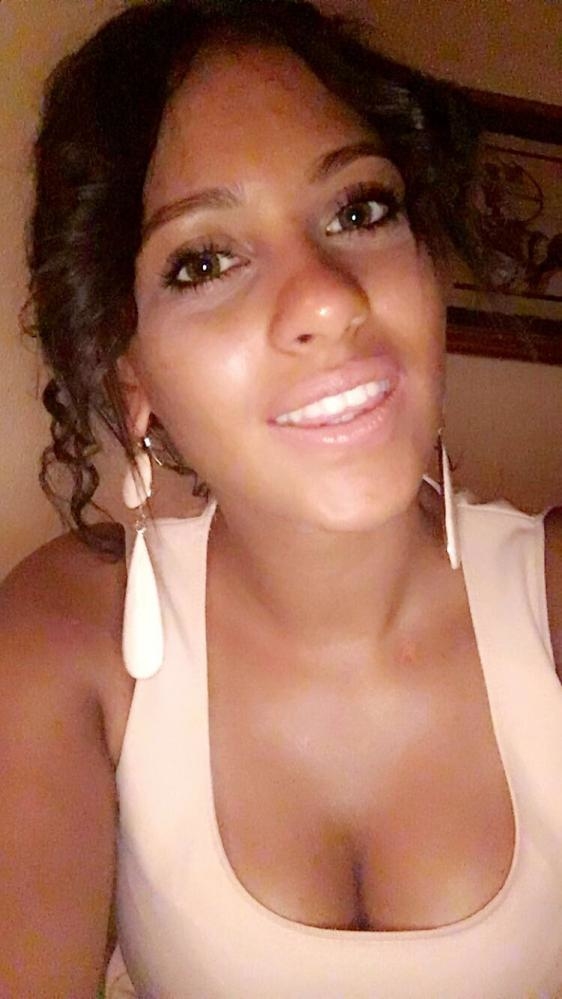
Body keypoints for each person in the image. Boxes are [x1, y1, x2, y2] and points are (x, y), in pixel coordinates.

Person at [2, 0, 562, 995]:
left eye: (360, 210)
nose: (327, 299)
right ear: (132, 372)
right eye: (203, 261)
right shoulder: (72, 634)